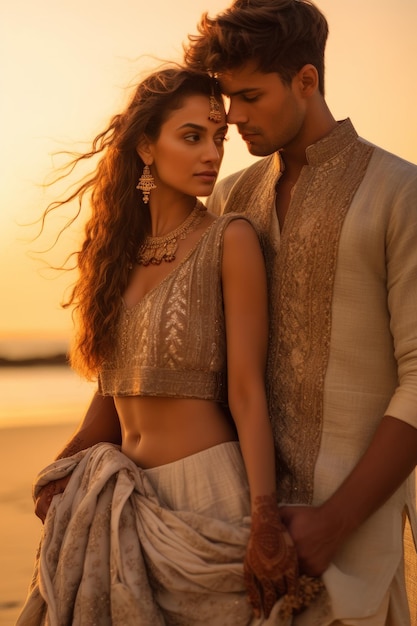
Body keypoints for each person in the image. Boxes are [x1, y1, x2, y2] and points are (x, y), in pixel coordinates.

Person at [17, 64, 323, 626]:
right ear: (146, 148)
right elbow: (111, 396)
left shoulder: (229, 241)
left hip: (205, 497)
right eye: (191, 137)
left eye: (218, 138)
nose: (212, 154)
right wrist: (66, 464)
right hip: (120, 500)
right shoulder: (115, 259)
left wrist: (263, 518)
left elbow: (247, 392)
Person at [182, 1, 417, 625]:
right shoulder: (233, 198)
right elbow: (185, 346)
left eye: (251, 96)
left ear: (306, 80)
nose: (234, 118)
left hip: (353, 550)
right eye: (227, 99)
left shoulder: (399, 192)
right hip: (232, 546)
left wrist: (333, 523)